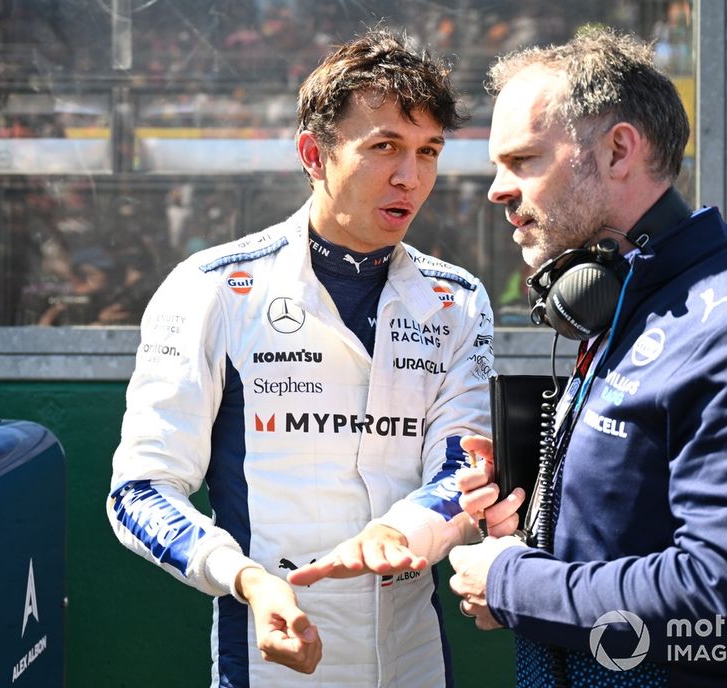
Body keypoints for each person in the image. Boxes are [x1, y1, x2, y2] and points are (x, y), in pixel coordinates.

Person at [447, 28, 727, 686]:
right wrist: (529, 536)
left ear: (618, 150)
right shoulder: (619, 305)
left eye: (522, 160)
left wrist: (515, 584)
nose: (496, 188)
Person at [107, 30, 493, 688]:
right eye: (385, 148)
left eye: (428, 151)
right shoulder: (214, 288)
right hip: (270, 658)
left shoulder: (457, 300)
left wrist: (396, 534)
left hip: (416, 659)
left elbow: (466, 466)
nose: (411, 177)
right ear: (314, 154)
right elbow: (138, 492)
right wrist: (247, 579)